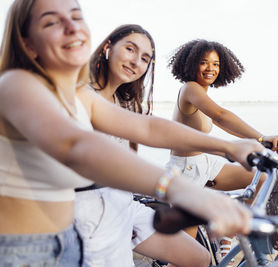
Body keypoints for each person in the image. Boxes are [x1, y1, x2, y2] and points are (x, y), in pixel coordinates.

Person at [0, 1, 265, 266]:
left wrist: (229, 147)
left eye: (76, 17)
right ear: (27, 43)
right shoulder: (17, 84)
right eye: (52, 22)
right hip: (30, 250)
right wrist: (180, 189)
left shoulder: (77, 94)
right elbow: (76, 147)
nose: (72, 27)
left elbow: (147, 127)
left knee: (198, 257)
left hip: (78, 231)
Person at [74, 24, 217, 267]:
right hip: (86, 209)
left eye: (144, 58)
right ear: (108, 47)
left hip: (121, 202)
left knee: (198, 257)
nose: (135, 62)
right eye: (130, 49)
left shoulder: (124, 102)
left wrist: (230, 148)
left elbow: (151, 130)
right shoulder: (81, 94)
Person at [167, 39, 278, 263]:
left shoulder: (203, 94)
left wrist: (257, 144)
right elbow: (221, 116)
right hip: (186, 171)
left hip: (204, 164)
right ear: (190, 64)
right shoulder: (190, 89)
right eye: (204, 63)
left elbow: (218, 124)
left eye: (216, 64)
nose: (211, 69)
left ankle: (227, 232)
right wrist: (262, 137)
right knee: (185, 259)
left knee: (261, 179)